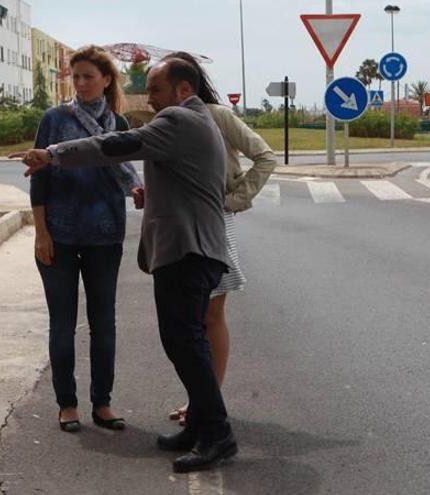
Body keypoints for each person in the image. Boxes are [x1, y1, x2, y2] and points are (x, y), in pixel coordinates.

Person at [10, 58, 237, 473]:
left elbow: (112, 145)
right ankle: (202, 425)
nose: (148, 98)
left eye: (154, 89)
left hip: (187, 251)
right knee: (182, 343)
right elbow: (184, 180)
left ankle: (217, 433)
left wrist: (53, 153)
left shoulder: (179, 120)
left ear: (183, 90)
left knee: (186, 344)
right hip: (189, 248)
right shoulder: (194, 120)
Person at [28, 45, 142, 434]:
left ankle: (103, 403)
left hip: (106, 235)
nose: (80, 84)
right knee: (62, 324)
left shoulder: (120, 124)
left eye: (88, 76)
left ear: (107, 80)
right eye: (75, 77)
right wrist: (41, 232)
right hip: (58, 235)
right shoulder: (54, 119)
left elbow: (128, 174)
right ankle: (67, 404)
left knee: (103, 323)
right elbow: (39, 178)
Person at [162, 52, 277, 426]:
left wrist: (235, 200)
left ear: (185, 85)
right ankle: (202, 401)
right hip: (180, 228)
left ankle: (208, 403)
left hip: (215, 223)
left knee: (211, 315)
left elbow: (265, 156)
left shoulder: (216, 115)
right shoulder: (164, 121)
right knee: (187, 322)